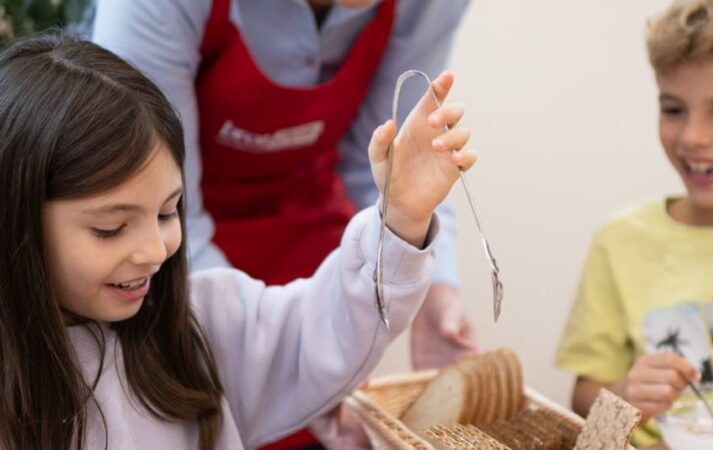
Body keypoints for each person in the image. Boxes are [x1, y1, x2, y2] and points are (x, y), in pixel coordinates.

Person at [0, 32, 476, 450]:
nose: (153, 251)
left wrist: (400, 218)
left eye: (168, 212)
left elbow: (323, 329)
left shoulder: (205, 325)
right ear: (16, 216)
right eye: (110, 228)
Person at [555, 1, 713, 448]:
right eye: (673, 109)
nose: (692, 137)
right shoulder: (621, 241)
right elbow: (581, 402)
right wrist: (627, 396)